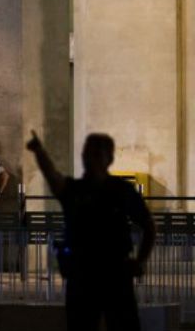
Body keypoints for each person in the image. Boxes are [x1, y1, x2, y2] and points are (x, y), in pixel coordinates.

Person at [26, 131, 155, 331]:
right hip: (82, 272)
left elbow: (148, 224)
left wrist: (140, 261)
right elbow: (53, 178)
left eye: (95, 154)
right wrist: (40, 152)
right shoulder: (76, 189)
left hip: (114, 270)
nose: (89, 159)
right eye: (87, 154)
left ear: (108, 159)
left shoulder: (120, 190)